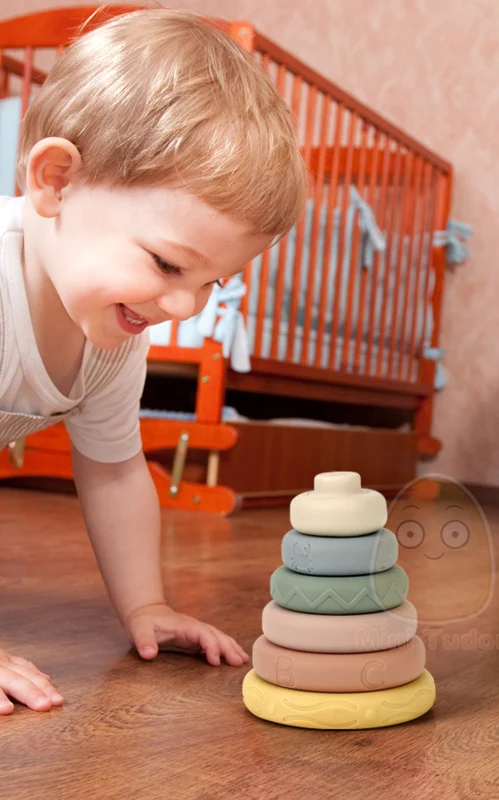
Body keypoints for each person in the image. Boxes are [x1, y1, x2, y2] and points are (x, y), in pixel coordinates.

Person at [0, 9, 307, 714]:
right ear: (55, 180)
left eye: (211, 283)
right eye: (168, 264)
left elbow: (112, 470)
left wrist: (146, 604)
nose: (184, 307)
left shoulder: (111, 339)